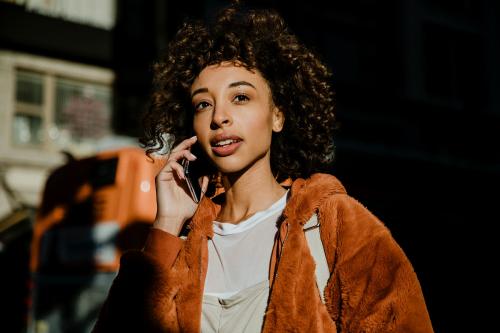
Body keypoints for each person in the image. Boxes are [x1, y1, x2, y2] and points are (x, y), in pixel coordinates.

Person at [92, 3, 434, 332]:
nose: (219, 116)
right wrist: (167, 224)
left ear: (278, 115)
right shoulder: (181, 242)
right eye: (203, 103)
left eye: (240, 97)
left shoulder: (335, 224)